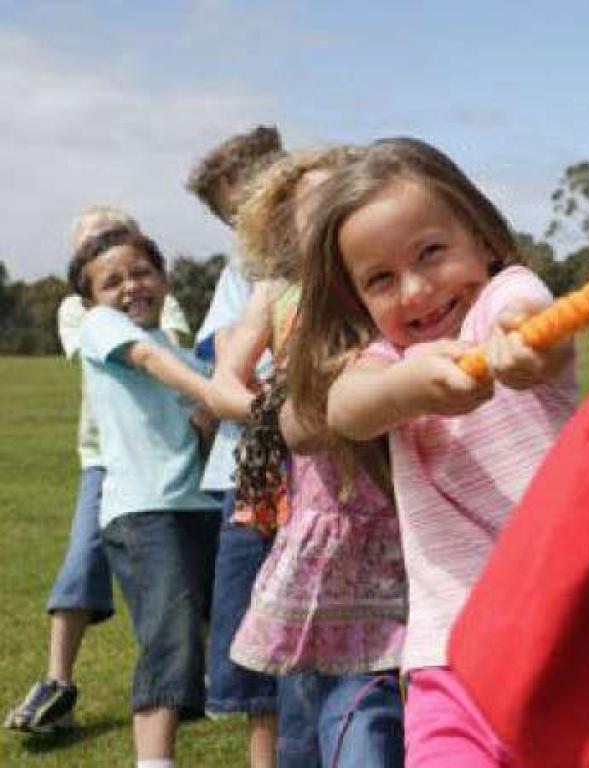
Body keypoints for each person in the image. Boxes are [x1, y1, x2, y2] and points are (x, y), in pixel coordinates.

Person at [287, 137, 577, 766]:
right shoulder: (385, 360)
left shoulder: (505, 297)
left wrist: (523, 348)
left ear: (483, 239)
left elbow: (530, 321)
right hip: (450, 655)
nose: (415, 291)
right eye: (381, 280)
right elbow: (345, 408)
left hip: (578, 631)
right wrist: (406, 387)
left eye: (431, 253)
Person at [214, 147, 406, 767]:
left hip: (399, 510)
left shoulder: (382, 281)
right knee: (314, 691)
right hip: (322, 512)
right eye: (310, 208)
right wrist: (284, 417)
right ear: (282, 229)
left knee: (376, 691)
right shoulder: (276, 293)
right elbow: (225, 384)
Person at [4, 205, 190, 735]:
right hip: (105, 459)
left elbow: (171, 344)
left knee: (183, 572)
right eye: (90, 246)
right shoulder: (79, 312)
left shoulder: (161, 300)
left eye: (112, 239)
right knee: (82, 560)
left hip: (162, 453)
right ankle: (57, 680)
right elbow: (124, 348)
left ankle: (188, 680)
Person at [71, 226, 221, 768]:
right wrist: (216, 394)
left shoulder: (182, 351)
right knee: (170, 638)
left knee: (218, 635)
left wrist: (209, 413)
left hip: (200, 507)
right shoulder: (100, 326)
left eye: (142, 272)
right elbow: (149, 363)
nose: (132, 286)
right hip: (145, 511)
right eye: (113, 281)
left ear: (164, 278)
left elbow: (201, 422)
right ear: (93, 298)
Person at [185, 125, 284, 768]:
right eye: (230, 215)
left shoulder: (331, 247)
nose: (242, 222)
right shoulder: (240, 268)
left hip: (325, 460)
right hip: (251, 467)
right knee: (256, 627)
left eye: (248, 203)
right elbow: (217, 353)